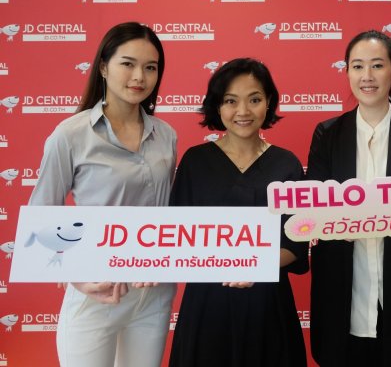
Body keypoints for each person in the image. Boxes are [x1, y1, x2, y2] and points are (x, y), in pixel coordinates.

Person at [28, 22, 176, 367]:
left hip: (153, 295)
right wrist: (78, 278)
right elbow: (40, 220)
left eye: (150, 67)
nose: (139, 76)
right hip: (96, 293)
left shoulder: (166, 135)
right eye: (128, 64)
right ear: (104, 67)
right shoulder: (70, 134)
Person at [307, 30, 391, 366]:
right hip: (342, 288)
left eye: (377, 65)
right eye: (357, 66)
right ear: (347, 72)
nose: (367, 76)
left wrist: (357, 216)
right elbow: (316, 210)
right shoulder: (327, 134)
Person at [168, 58, 307, 367]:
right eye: (231, 101)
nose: (243, 111)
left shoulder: (287, 165)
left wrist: (255, 265)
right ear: (217, 106)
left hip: (268, 306)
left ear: (268, 102)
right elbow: (176, 237)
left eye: (254, 100)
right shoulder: (195, 162)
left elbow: (296, 243)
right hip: (207, 306)